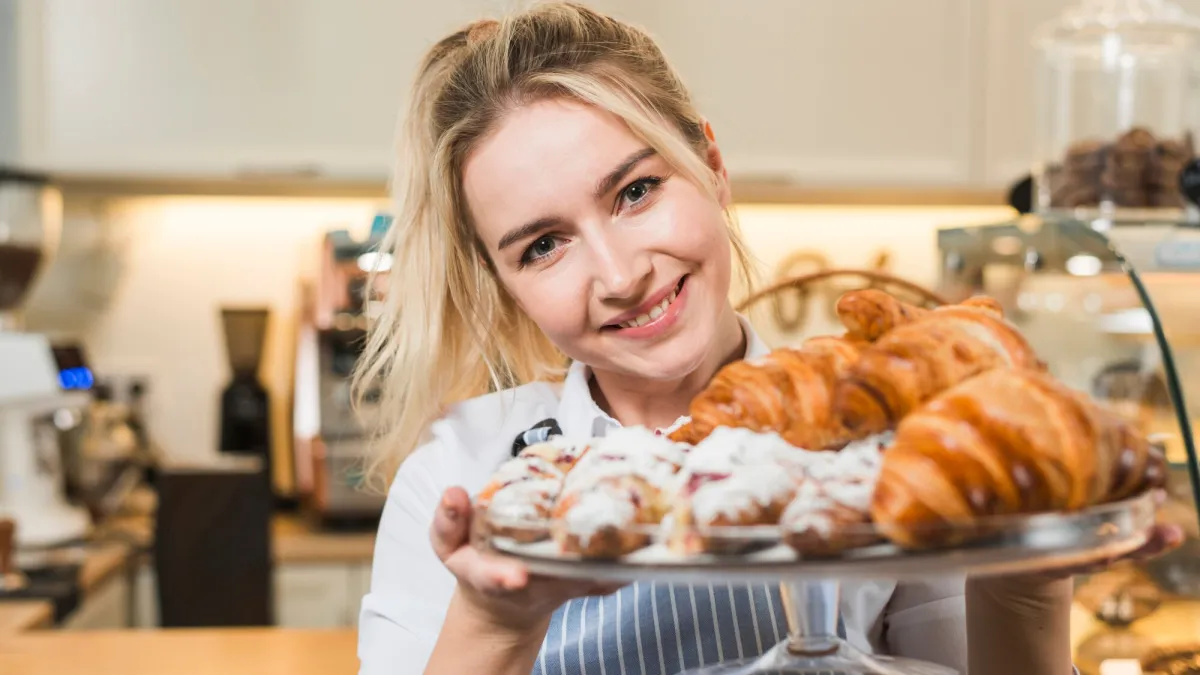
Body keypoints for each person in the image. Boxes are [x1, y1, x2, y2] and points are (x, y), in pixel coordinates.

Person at [353, 4, 1182, 674]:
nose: (618, 274)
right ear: (505, 282)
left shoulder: (896, 446)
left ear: (711, 164)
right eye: (543, 244)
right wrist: (496, 624)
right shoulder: (461, 481)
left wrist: (1028, 588)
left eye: (636, 191)